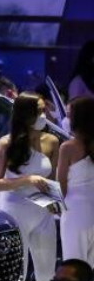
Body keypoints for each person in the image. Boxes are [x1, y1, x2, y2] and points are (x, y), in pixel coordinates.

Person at [0, 93, 61, 281]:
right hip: (14, 213)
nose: (45, 115)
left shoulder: (52, 142)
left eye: (45, 110)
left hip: (42, 214)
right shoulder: (6, 144)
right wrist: (26, 178)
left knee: (47, 278)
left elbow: (51, 182)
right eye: (40, 110)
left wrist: (55, 202)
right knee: (14, 279)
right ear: (26, 114)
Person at [60, 98, 94, 265]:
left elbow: (61, 187)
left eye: (69, 115)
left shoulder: (67, 147)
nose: (66, 119)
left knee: (75, 266)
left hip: (74, 213)